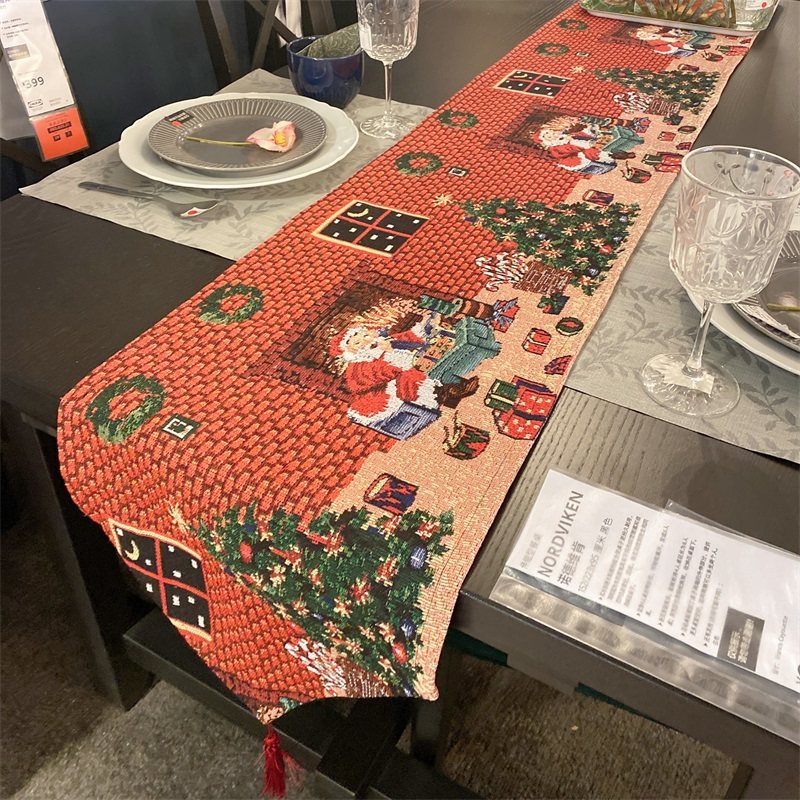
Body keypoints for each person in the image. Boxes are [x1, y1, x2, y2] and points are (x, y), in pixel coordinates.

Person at [329, 315, 479, 428]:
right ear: (350, 351)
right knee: (413, 373)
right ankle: (449, 391)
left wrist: (425, 325)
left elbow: (408, 337)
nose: (365, 341)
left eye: (365, 335)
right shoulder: (358, 367)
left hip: (400, 380)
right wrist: (393, 351)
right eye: (357, 342)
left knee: (430, 357)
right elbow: (388, 371)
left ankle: (452, 382)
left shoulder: (381, 344)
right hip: (382, 400)